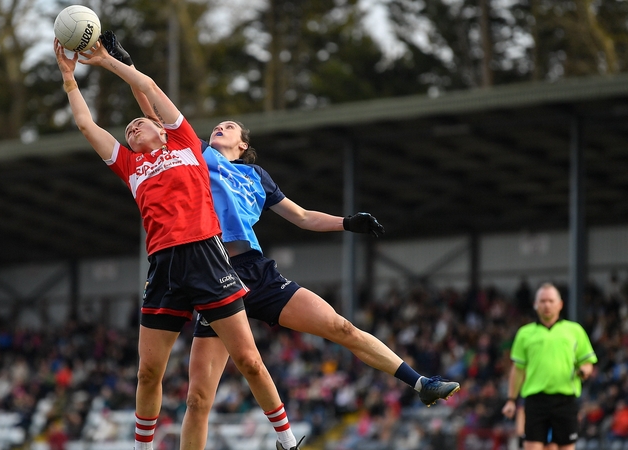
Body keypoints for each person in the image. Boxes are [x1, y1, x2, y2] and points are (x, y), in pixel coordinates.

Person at [97, 31, 461, 450]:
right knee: (198, 399)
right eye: (218, 124)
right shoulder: (195, 152)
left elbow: (302, 217)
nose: (220, 126)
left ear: (244, 144)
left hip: (254, 271)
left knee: (340, 326)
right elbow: (156, 113)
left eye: (229, 126)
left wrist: (347, 222)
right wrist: (129, 67)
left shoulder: (258, 177)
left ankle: (420, 383)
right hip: (209, 270)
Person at [54, 37, 302, 450]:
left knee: (248, 360)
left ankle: (288, 441)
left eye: (141, 121)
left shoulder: (186, 142)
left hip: (208, 258)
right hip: (164, 268)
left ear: (161, 128)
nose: (133, 125)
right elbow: (85, 124)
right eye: (128, 127)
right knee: (148, 372)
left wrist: (107, 62)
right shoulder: (128, 164)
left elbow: (148, 88)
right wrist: (68, 78)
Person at [501, 283, 597, 450]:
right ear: (535, 304)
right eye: (543, 301)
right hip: (535, 400)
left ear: (560, 304)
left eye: (551, 301)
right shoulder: (525, 333)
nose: (547, 305)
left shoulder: (574, 330)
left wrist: (585, 371)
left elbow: (587, 362)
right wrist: (511, 400)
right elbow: (518, 370)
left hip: (565, 400)